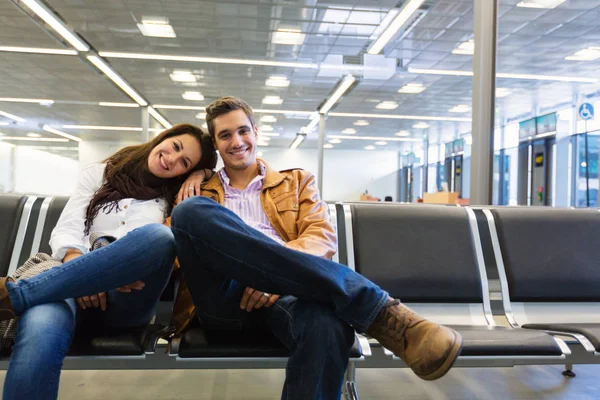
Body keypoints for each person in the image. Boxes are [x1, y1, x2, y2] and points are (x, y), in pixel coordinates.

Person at [169, 97, 463, 400]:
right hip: (224, 301)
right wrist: (199, 174)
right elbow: (177, 254)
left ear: (256, 132)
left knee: (327, 325)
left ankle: (386, 319)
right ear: (216, 145)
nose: (237, 141)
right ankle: (382, 314)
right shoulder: (198, 191)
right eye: (225, 135)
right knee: (189, 212)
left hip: (287, 297)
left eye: (243, 131)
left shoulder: (296, 181)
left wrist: (271, 277)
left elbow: (321, 237)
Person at [0, 124, 217, 400]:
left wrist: (203, 172)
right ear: (163, 138)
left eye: (184, 162)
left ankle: (15, 295)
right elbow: (68, 228)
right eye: (175, 146)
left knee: (159, 236)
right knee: (42, 322)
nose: (172, 158)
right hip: (70, 284)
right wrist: (85, 274)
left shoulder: (176, 195)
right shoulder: (100, 174)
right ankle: (26, 297)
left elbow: (232, 173)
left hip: (129, 297)